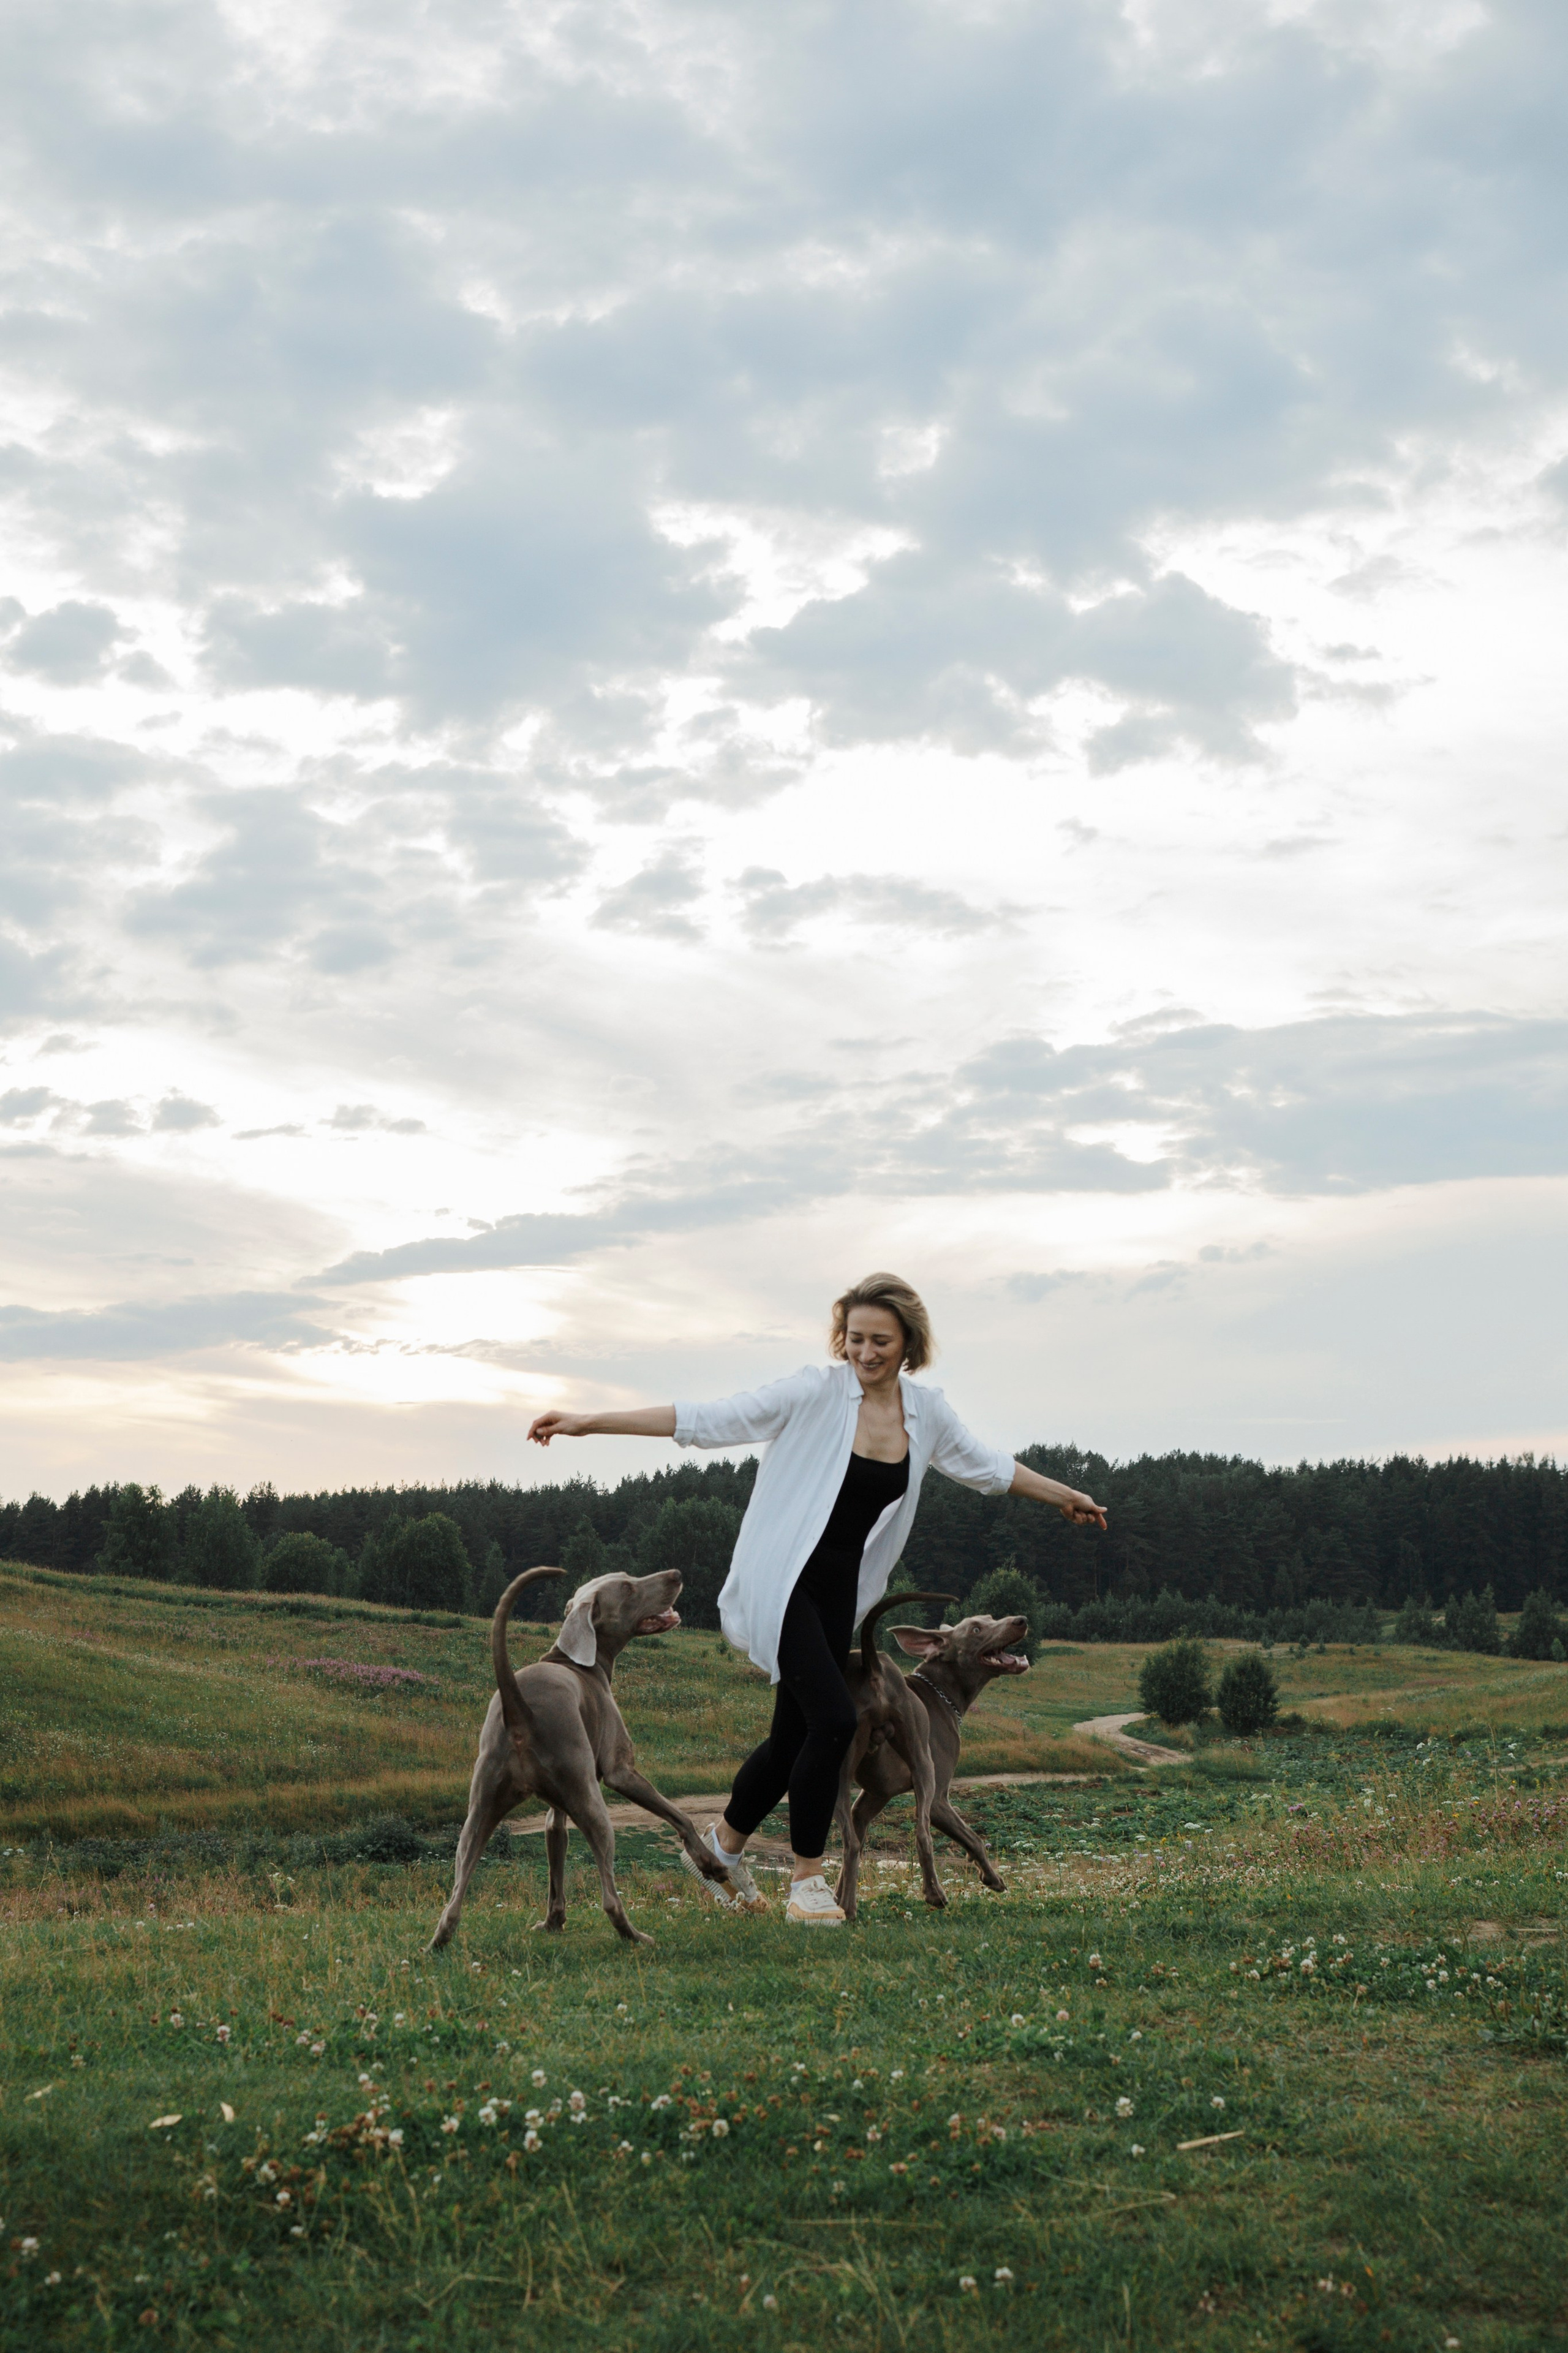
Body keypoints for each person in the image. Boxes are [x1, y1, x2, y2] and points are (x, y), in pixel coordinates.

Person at [526, 1272, 1106, 1925]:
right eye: (854, 1338)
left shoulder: (926, 1413)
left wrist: (1066, 1497)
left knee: (790, 1737)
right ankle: (806, 1883)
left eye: (880, 1340)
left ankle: (718, 1847)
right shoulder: (814, 1392)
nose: (864, 1353)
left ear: (909, 1342)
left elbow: (988, 1467)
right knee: (833, 1719)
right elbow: (708, 1418)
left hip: (842, 1595)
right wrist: (587, 1422)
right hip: (784, 1585)